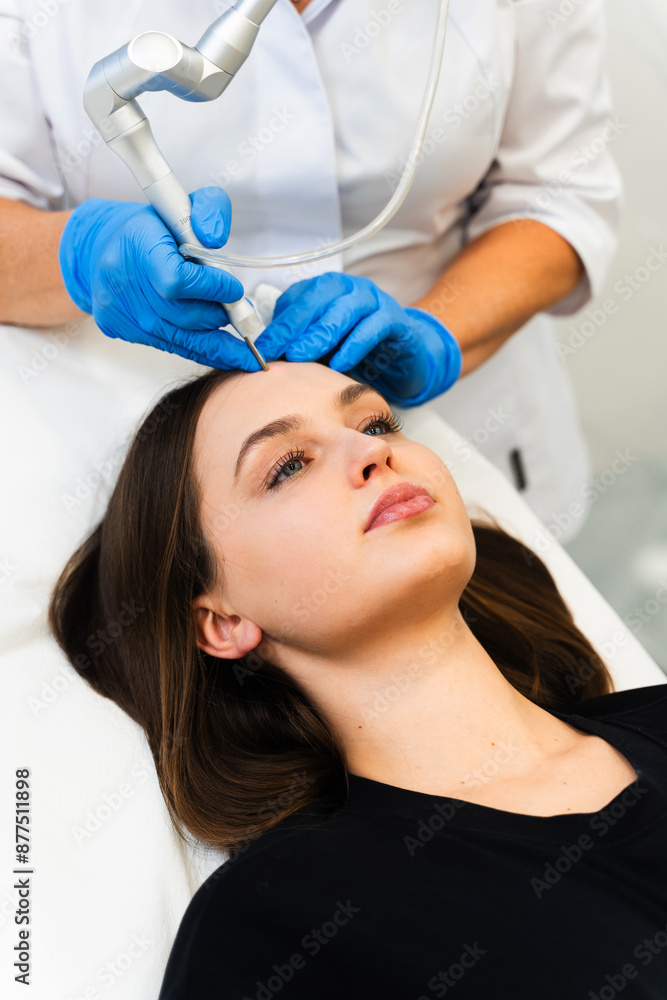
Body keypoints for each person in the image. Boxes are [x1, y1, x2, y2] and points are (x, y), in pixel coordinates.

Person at [48, 359, 667, 999]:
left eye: (377, 421)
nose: (372, 450)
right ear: (223, 621)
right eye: (287, 466)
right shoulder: (276, 920)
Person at [0, 0, 621, 534]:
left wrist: (435, 332)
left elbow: (560, 195)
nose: (367, 456)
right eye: (287, 467)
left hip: (469, 422)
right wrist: (77, 254)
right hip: (142, 455)